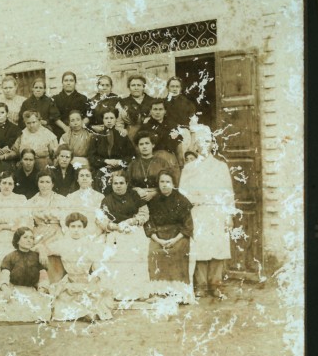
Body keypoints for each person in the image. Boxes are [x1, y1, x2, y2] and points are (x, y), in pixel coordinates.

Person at [179, 125, 236, 299]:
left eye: (207, 141)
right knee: (200, 248)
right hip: (198, 211)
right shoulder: (189, 168)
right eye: (200, 142)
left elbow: (228, 192)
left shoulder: (221, 167)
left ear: (212, 144)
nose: (204, 145)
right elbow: (182, 192)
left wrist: (229, 215)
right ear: (196, 146)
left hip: (217, 211)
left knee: (218, 247)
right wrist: (193, 199)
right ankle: (201, 285)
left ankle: (216, 284)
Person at [47, 213, 113, 322]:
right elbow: (45, 248)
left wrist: (92, 284)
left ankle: (87, 312)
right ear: (68, 227)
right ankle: (82, 312)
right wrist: (41, 251)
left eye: (79, 227)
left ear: (84, 228)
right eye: (73, 226)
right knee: (61, 301)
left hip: (87, 281)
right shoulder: (62, 244)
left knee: (93, 297)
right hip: (70, 281)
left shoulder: (90, 245)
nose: (76, 230)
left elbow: (98, 268)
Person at [97, 173, 151, 301]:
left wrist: (132, 221)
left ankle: (138, 293)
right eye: (115, 183)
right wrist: (113, 226)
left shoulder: (135, 196)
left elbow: (144, 214)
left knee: (136, 259)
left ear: (127, 184)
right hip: (116, 233)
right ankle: (120, 294)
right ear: (112, 185)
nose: (118, 186)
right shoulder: (107, 200)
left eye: (121, 183)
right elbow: (100, 219)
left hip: (134, 231)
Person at [144, 169, 194, 302]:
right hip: (158, 235)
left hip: (178, 236)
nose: (164, 185)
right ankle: (158, 293)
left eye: (168, 182)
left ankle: (177, 293)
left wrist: (174, 239)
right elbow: (149, 224)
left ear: (173, 184)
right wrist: (158, 240)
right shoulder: (153, 201)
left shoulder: (182, 201)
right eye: (162, 182)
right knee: (154, 252)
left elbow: (187, 226)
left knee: (176, 251)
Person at [0, 227, 52, 323]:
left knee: (44, 302)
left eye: (31, 238)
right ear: (17, 240)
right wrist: (5, 289)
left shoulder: (37, 257)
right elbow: (4, 276)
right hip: (14, 291)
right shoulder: (10, 257)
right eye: (25, 237)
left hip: (31, 292)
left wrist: (42, 288)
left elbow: (43, 277)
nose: (29, 240)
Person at [0, 171, 31, 296]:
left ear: (14, 185)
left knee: (10, 255)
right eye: (4, 183)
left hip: (16, 235)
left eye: (10, 183)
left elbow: (25, 222)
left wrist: (5, 226)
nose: (7, 186)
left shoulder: (20, 199)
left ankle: (12, 290)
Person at [27, 170, 71, 282]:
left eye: (47, 182)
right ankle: (41, 282)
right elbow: (28, 223)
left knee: (59, 250)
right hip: (38, 232)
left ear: (52, 184)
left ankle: (55, 281)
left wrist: (67, 236)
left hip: (57, 231)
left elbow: (65, 221)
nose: (44, 185)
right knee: (36, 251)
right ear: (37, 183)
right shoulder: (30, 202)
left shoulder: (61, 200)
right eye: (41, 182)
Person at [88, 108, 137, 193]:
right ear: (103, 120)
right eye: (106, 118)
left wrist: (119, 162)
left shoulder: (122, 135)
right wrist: (105, 161)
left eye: (111, 118)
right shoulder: (97, 136)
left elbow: (132, 155)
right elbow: (91, 156)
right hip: (102, 168)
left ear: (115, 119)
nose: (109, 121)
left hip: (120, 169)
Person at [126, 130, 175, 203]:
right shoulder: (133, 164)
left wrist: (154, 193)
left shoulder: (162, 163)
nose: (144, 146)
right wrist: (137, 189)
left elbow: (170, 183)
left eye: (147, 143)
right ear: (138, 147)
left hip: (159, 198)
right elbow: (127, 184)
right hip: (138, 198)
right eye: (141, 144)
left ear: (153, 145)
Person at [66, 167, 105, 239]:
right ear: (77, 179)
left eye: (87, 176)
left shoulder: (100, 197)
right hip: (75, 233)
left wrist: (94, 236)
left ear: (92, 179)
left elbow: (102, 222)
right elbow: (66, 220)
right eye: (81, 176)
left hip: (94, 233)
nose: (84, 178)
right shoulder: (70, 197)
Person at [118, 74, 157, 142]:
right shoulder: (123, 103)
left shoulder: (153, 101)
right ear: (129, 87)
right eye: (133, 85)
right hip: (130, 135)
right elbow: (119, 123)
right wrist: (122, 130)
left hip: (150, 133)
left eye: (139, 85)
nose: (136, 88)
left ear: (143, 86)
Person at [51, 71, 90, 138]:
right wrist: (65, 128)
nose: (68, 83)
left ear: (75, 83)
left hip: (79, 130)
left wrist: (79, 126)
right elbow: (54, 117)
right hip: (61, 130)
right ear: (62, 82)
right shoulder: (55, 99)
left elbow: (89, 115)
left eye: (71, 80)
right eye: (66, 80)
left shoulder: (83, 99)